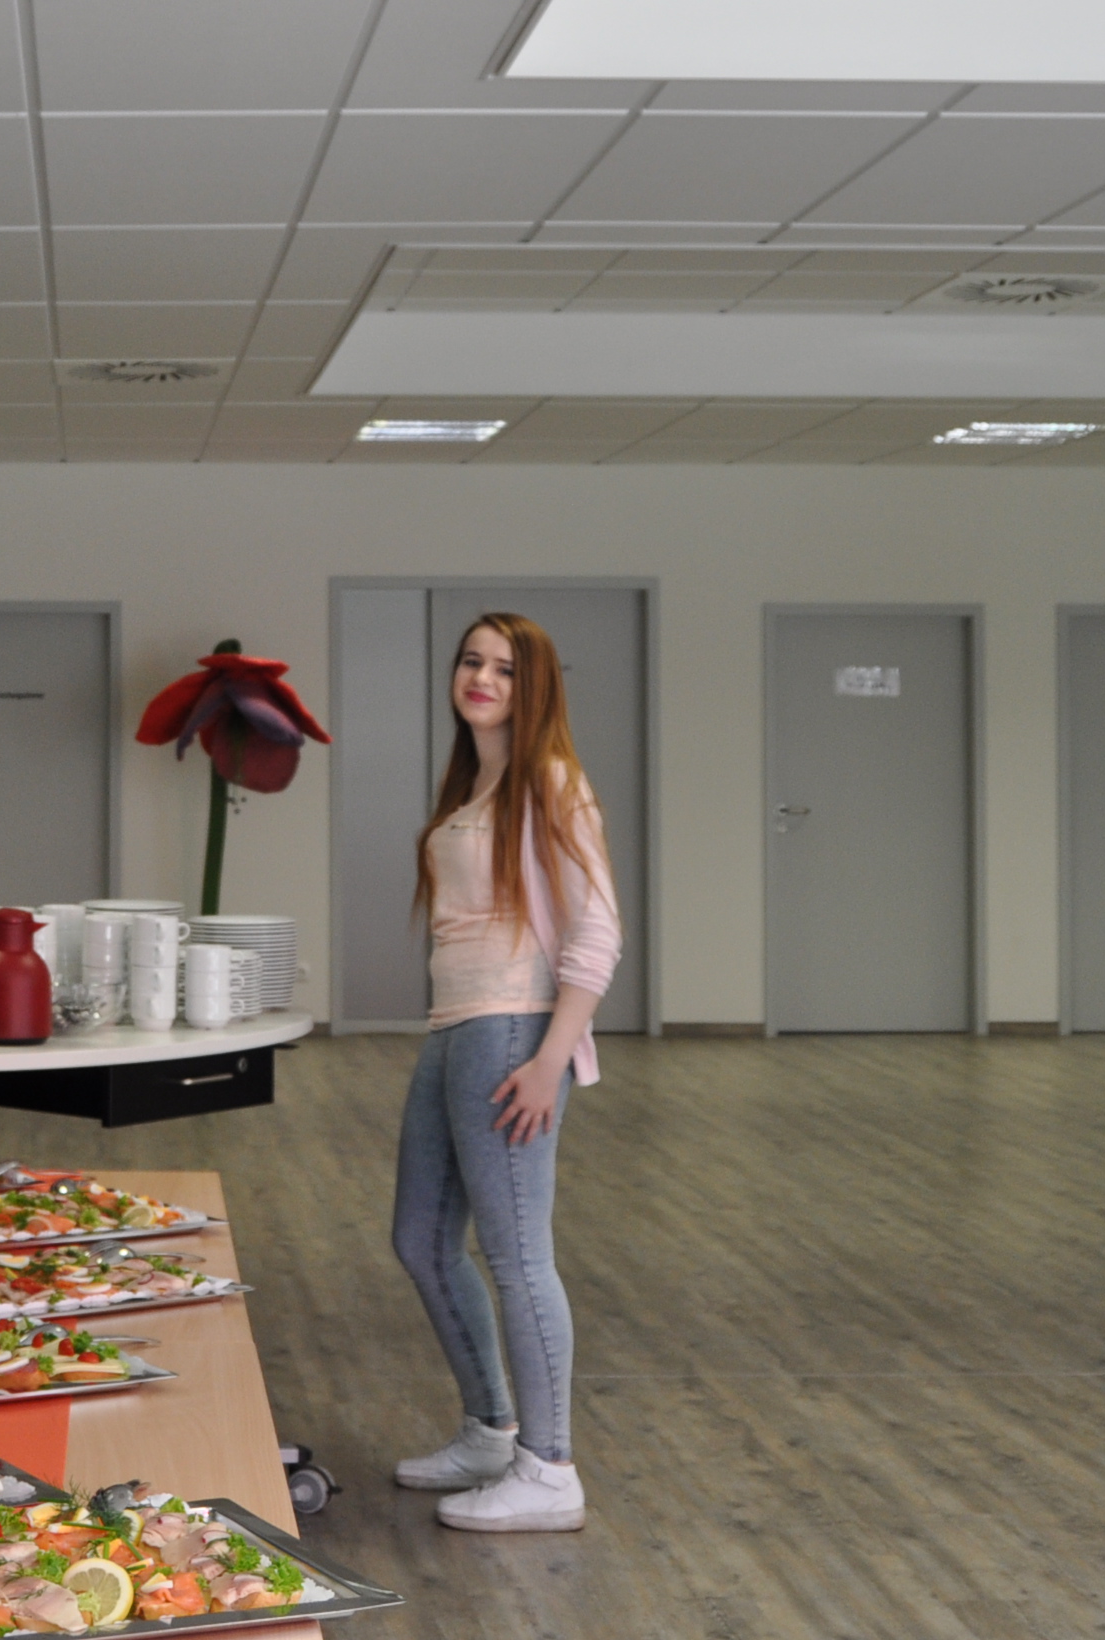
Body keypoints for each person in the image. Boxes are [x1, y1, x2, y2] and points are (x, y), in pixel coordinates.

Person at [391, 612, 621, 1533]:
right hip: (455, 1028)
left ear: (537, 688)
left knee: (519, 1255)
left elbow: (598, 930)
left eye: (505, 668)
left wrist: (548, 1059)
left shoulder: (550, 781)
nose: (481, 678)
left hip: (513, 1029)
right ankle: (493, 1430)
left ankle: (550, 1470)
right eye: (470, 661)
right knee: (421, 1240)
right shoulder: (474, 785)